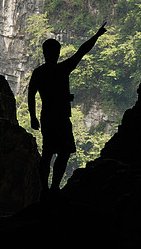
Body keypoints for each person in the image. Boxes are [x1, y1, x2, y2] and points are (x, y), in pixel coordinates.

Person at [28, 22, 107, 196]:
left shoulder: (39, 72)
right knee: (60, 153)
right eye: (54, 52)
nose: (55, 55)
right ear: (54, 53)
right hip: (59, 117)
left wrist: (33, 117)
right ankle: (52, 187)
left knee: (52, 153)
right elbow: (82, 51)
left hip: (49, 116)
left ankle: (47, 189)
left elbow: (31, 95)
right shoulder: (62, 69)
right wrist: (97, 35)